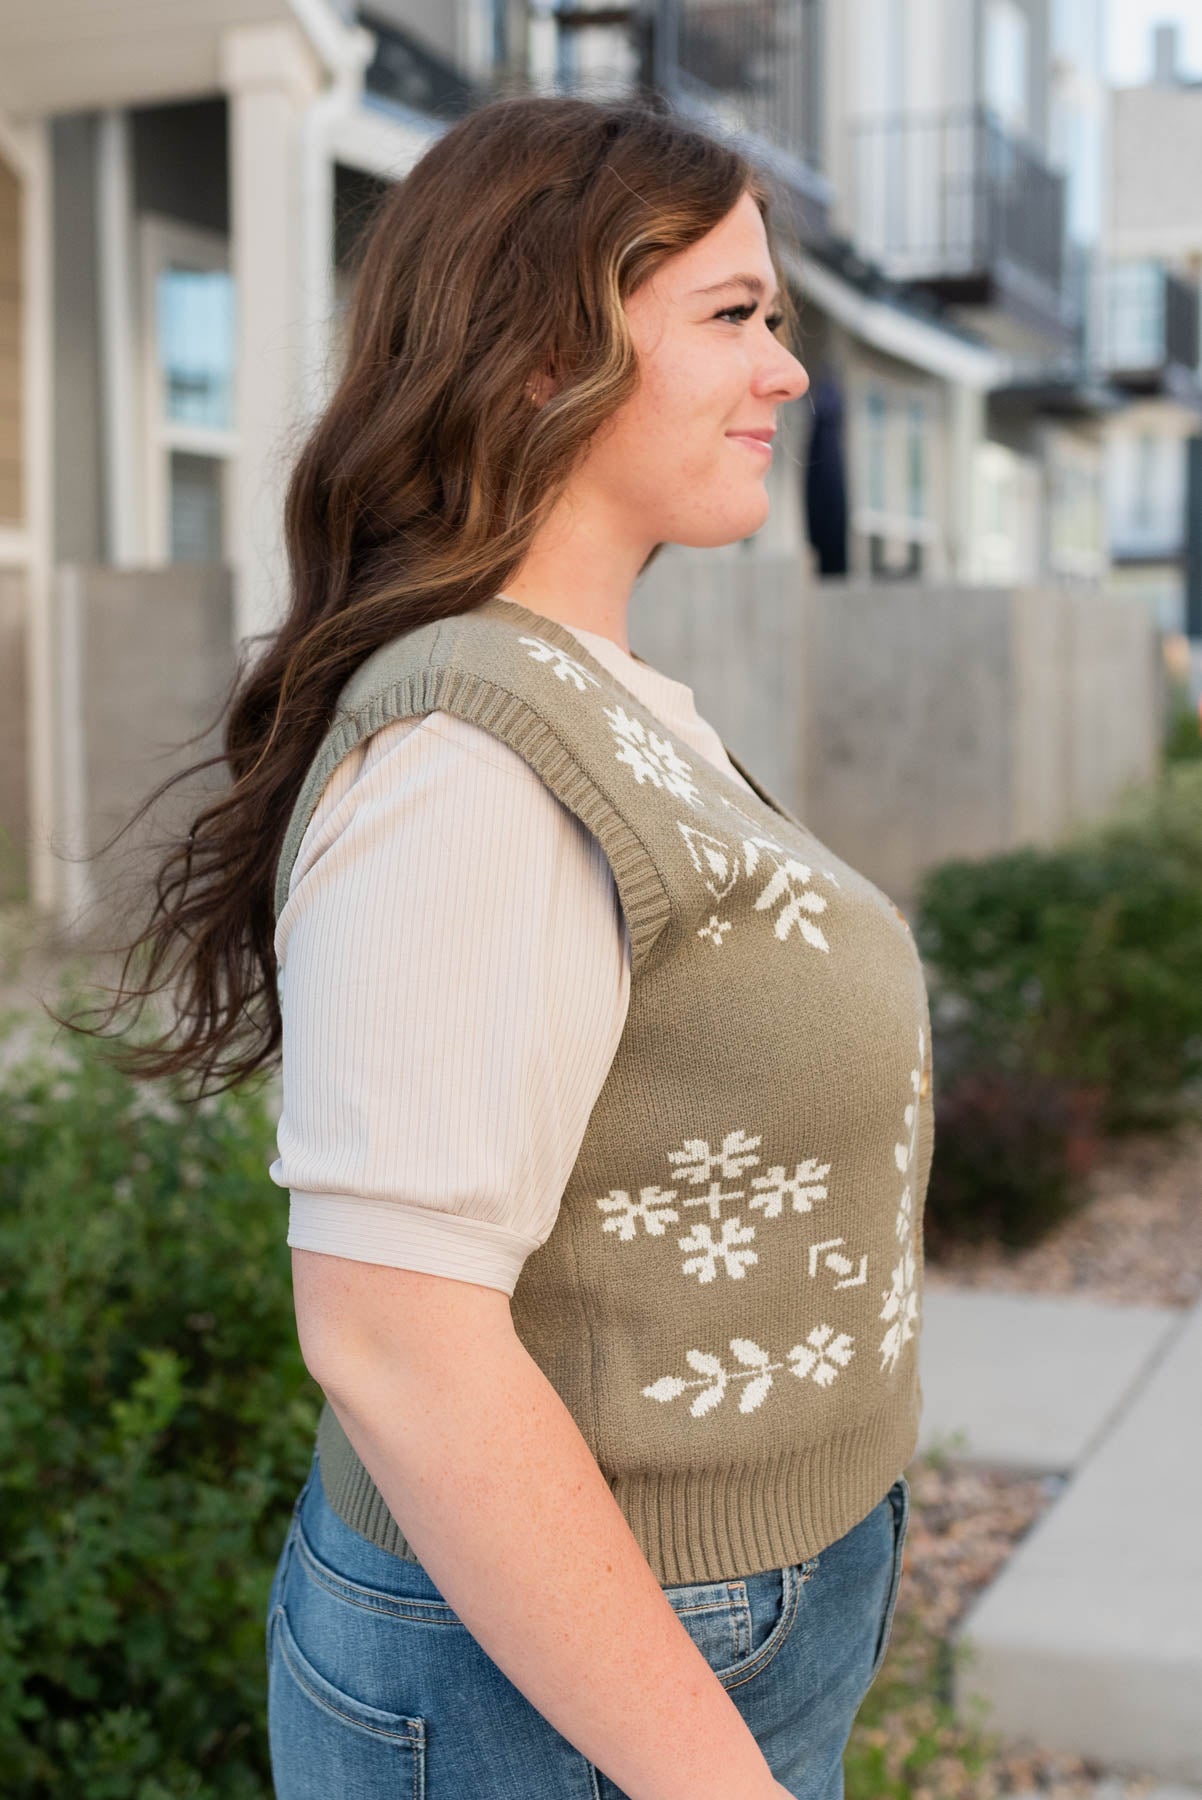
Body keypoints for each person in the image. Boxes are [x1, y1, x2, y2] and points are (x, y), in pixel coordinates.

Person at [68, 90, 930, 1800]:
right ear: (540, 355)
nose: (787, 373)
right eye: (736, 315)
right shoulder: (466, 760)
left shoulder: (594, 702)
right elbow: (399, 1345)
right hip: (553, 1677)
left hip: (697, 1620)